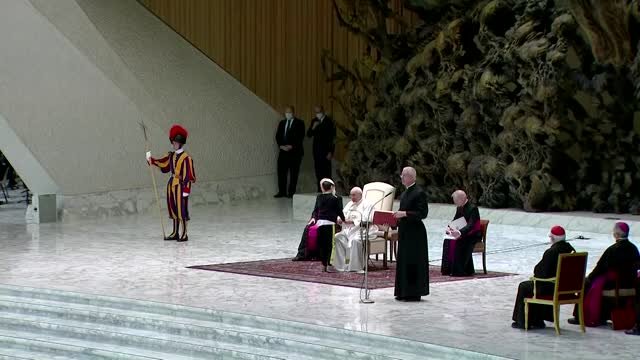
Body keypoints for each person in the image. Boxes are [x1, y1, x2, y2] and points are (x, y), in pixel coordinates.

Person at [568, 222, 640, 326]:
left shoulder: (613, 249)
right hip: (630, 284)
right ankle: (604, 316)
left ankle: (579, 317)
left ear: (615, 234)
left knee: (586, 284)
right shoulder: (634, 248)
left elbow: (600, 268)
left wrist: (589, 278)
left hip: (614, 284)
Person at [511, 226, 575, 329]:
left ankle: (523, 321)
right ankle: (537, 319)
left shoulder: (552, 252)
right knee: (535, 285)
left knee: (524, 286)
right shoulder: (571, 250)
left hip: (552, 288)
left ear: (553, 238)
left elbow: (540, 272)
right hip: (566, 289)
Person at [146, 125, 196, 242]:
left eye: (175, 142)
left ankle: (184, 234)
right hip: (172, 185)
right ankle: (175, 232)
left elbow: (188, 175)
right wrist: (151, 160)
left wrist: (186, 190)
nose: (173, 144)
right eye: (173, 141)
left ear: (180, 143)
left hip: (181, 186)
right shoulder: (171, 155)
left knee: (181, 210)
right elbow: (164, 164)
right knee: (173, 209)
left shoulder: (186, 158)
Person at [393, 167, 429, 301]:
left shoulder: (419, 193)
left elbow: (423, 213)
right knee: (404, 261)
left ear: (410, 177)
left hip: (415, 233)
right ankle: (403, 291)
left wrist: (405, 214)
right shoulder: (405, 193)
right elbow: (402, 212)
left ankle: (413, 293)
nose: (401, 178)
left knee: (413, 261)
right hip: (405, 231)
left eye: (403, 176)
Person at [333, 187, 378, 272]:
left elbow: (367, 220)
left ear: (360, 195)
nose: (351, 197)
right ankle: (341, 266)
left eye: (354, 195)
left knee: (356, 240)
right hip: (348, 230)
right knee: (337, 237)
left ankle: (356, 267)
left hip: (363, 230)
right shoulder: (350, 204)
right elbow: (342, 214)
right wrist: (339, 219)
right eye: (351, 195)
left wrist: (352, 221)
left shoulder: (368, 204)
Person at [308, 178, 345, 272]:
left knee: (322, 244)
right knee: (330, 244)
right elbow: (339, 211)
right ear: (332, 187)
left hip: (320, 223)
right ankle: (329, 264)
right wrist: (344, 220)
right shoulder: (335, 198)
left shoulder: (319, 197)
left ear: (323, 188)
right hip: (330, 223)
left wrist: (314, 218)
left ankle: (324, 264)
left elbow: (316, 209)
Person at [444, 190, 482, 276]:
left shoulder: (473, 208)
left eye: (455, 201)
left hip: (473, 235)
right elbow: (455, 220)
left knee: (460, 242)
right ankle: (449, 268)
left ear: (461, 199)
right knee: (448, 240)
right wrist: (450, 228)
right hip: (463, 233)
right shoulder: (459, 207)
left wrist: (460, 233)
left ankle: (459, 270)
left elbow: (471, 225)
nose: (455, 203)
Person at [274, 105, 305, 198]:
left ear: (293, 112)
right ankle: (282, 192)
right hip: (283, 152)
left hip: (295, 153)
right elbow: (278, 136)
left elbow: (300, 136)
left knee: (293, 173)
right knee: (281, 172)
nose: (288, 114)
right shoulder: (282, 123)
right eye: (286, 112)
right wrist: (281, 146)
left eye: (289, 112)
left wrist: (292, 146)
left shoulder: (300, 123)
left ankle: (291, 193)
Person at [306, 105, 336, 192]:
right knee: (318, 171)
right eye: (316, 112)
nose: (317, 114)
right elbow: (309, 134)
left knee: (326, 171)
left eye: (319, 112)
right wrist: (313, 127)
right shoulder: (314, 121)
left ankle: (329, 190)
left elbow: (332, 138)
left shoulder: (329, 121)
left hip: (326, 151)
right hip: (316, 150)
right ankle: (320, 189)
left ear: (323, 111)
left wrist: (331, 151)